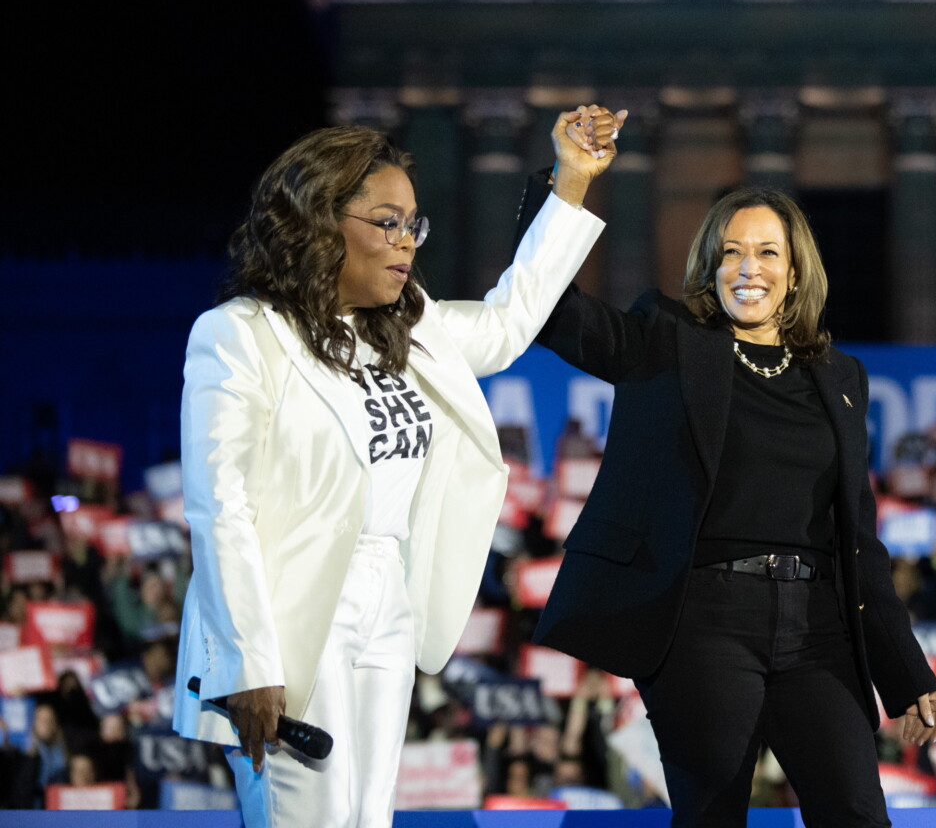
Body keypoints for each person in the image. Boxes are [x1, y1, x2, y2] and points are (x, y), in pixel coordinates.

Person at [172, 108, 620, 827]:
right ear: (318, 222)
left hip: (388, 603)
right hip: (289, 615)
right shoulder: (239, 336)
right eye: (387, 222)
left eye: (415, 224)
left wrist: (570, 183)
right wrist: (248, 662)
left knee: (368, 819)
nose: (407, 242)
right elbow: (219, 507)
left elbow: (511, 321)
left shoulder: (410, 331)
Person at [524, 175, 936, 826]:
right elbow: (554, 314)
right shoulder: (667, 342)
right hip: (704, 623)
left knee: (858, 812)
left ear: (797, 269)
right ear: (709, 267)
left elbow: (858, 538)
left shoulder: (840, 378)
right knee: (714, 814)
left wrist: (905, 668)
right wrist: (570, 186)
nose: (749, 268)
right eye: (730, 252)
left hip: (818, 628)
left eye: (768, 252)